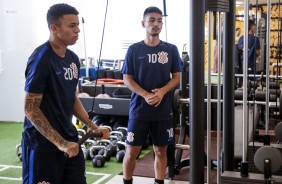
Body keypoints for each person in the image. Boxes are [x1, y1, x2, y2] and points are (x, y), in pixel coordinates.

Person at [22, 3, 110, 184]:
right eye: (72, 26)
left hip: (71, 140)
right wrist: (60, 143)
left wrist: (93, 127)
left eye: (78, 25)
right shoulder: (41, 59)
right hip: (43, 146)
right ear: (54, 28)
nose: (77, 30)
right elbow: (30, 109)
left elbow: (72, 98)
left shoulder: (72, 59)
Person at [121, 6, 182, 184]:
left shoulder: (171, 49)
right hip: (139, 110)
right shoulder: (134, 50)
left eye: (159, 20)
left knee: (160, 151)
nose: (156, 24)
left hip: (162, 110)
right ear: (143, 23)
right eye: (152, 20)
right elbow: (127, 78)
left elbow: (177, 77)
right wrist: (145, 94)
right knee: (131, 151)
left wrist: (162, 91)